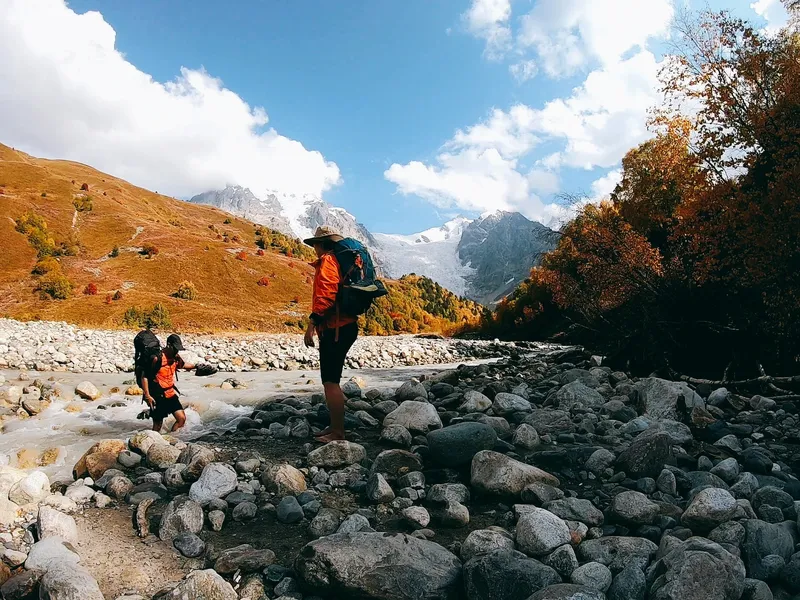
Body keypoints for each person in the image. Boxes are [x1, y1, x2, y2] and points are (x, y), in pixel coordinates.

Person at [303, 226, 359, 442]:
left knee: (330, 381)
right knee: (331, 379)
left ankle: (338, 432)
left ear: (321, 244)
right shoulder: (340, 261)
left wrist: (312, 322)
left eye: (315, 244)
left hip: (336, 328)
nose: (314, 249)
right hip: (344, 326)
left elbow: (326, 294)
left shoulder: (328, 261)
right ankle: (336, 426)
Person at [141, 333, 196, 432]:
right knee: (158, 425)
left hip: (170, 393)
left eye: (178, 348)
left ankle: (172, 440)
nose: (176, 350)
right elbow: (144, 376)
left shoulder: (176, 357)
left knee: (181, 419)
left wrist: (196, 366)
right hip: (157, 395)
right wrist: (147, 395)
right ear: (169, 345)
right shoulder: (157, 358)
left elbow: (183, 365)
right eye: (175, 348)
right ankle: (152, 444)